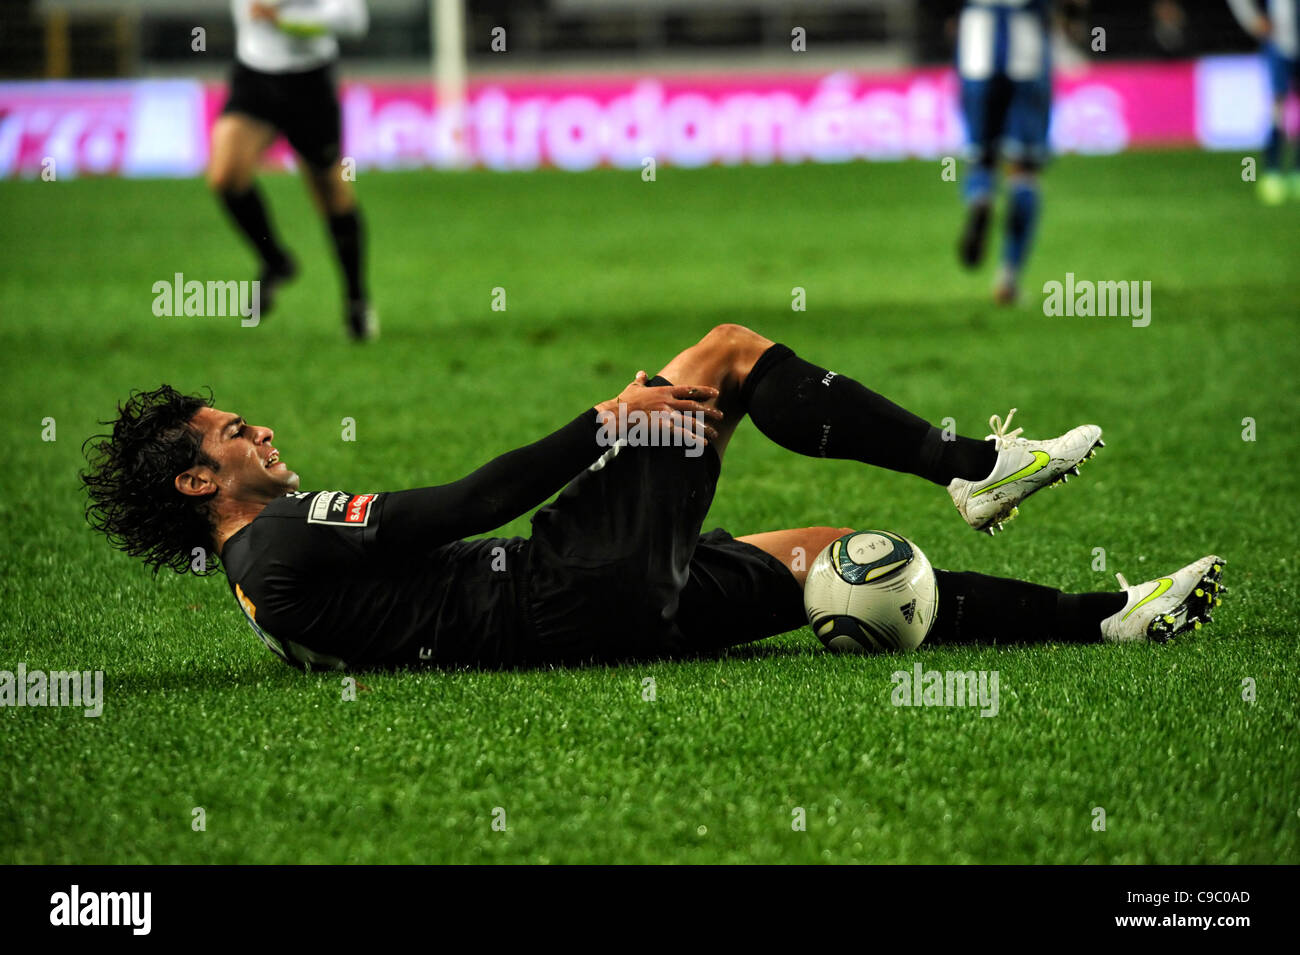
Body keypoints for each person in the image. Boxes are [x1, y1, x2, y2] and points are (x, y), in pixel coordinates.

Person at [81, 324, 1225, 672]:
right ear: (198, 480)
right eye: (235, 433)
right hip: (565, 591)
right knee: (725, 352)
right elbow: (460, 508)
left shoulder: (257, 581)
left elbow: (367, 620)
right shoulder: (274, 537)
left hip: (593, 617)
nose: (262, 431)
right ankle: (972, 466)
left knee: (826, 555)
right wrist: (609, 420)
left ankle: (1110, 616)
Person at [208, 0, 376, 339]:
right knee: (225, 176)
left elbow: (354, 21)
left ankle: (357, 298)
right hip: (255, 74)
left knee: (330, 190)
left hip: (309, 82)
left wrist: (285, 21)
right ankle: (276, 260)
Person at [954, 0, 1061, 304]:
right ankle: (1008, 278)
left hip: (976, 43)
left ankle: (982, 199)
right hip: (1025, 45)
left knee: (981, 156)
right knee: (1024, 167)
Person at [1228, 0, 1300, 204]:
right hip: (1280, 44)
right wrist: (1253, 20)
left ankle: (1297, 171)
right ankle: (1272, 171)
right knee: (1277, 109)